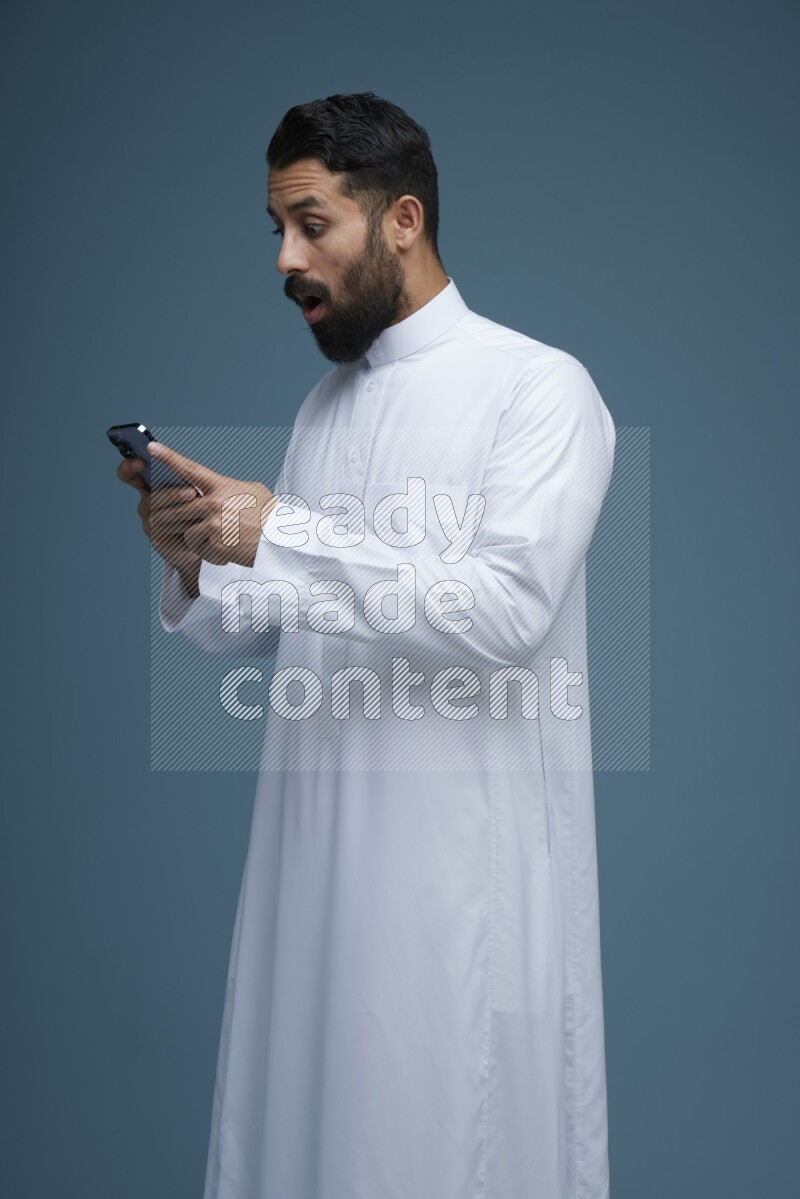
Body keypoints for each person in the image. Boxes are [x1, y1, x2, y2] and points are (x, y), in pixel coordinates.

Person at [117, 91, 616, 1199]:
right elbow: (268, 622)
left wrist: (278, 529)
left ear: (400, 219)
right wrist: (200, 551)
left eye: (311, 223)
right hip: (310, 862)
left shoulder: (536, 389)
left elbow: (501, 613)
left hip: (451, 879)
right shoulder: (324, 409)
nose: (286, 258)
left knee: (437, 1140)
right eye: (276, 229)